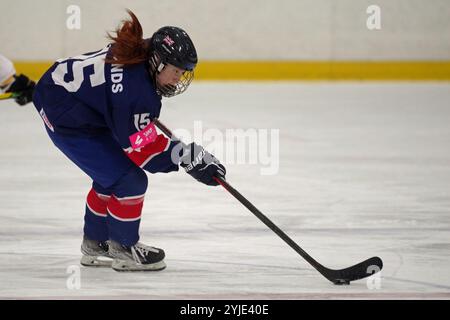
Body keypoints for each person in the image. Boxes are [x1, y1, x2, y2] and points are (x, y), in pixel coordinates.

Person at [32, 10, 226, 272]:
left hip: (70, 100)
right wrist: (185, 156)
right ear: (158, 62)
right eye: (176, 71)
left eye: (183, 73)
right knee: (129, 180)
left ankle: (94, 244)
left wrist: (182, 154)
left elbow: (134, 128)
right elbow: (141, 149)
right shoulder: (135, 91)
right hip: (65, 114)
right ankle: (123, 249)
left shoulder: (141, 54)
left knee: (110, 174)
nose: (178, 79)